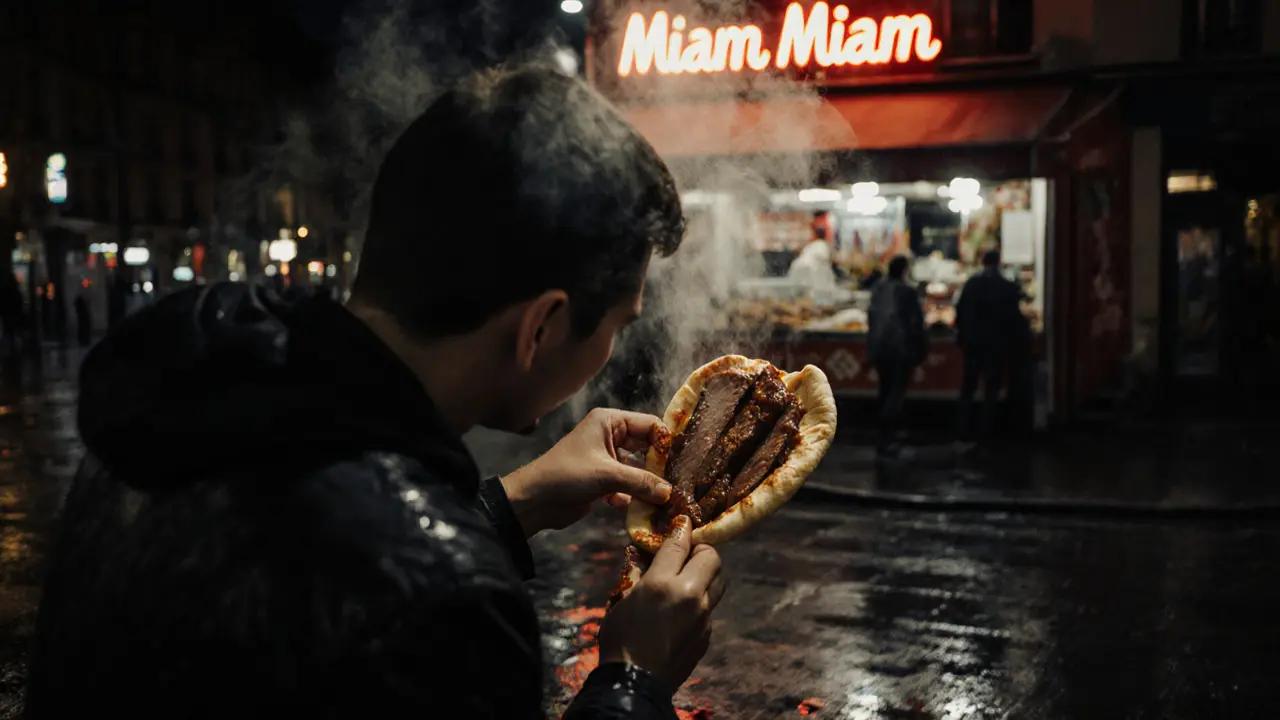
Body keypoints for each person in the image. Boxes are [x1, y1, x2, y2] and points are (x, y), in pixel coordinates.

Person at [26, 66, 724, 719]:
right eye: (618, 325)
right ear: (540, 327)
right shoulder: (451, 608)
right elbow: (379, 583)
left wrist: (507, 506)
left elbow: (303, 576)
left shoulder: (185, 400)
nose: (612, 353)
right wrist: (633, 679)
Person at [954, 249, 1024, 446]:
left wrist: (962, 334)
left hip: (973, 342)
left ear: (982, 261)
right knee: (991, 388)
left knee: (968, 386)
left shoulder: (972, 283)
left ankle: (963, 431)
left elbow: (959, 310)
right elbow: (1014, 317)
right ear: (999, 262)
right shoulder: (1005, 286)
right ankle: (987, 433)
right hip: (995, 343)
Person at [867, 255, 927, 457]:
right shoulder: (907, 291)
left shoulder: (878, 289)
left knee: (884, 390)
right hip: (900, 349)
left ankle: (883, 433)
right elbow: (915, 324)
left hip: (880, 349)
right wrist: (920, 354)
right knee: (896, 392)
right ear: (904, 270)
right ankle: (888, 436)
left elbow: (871, 319)